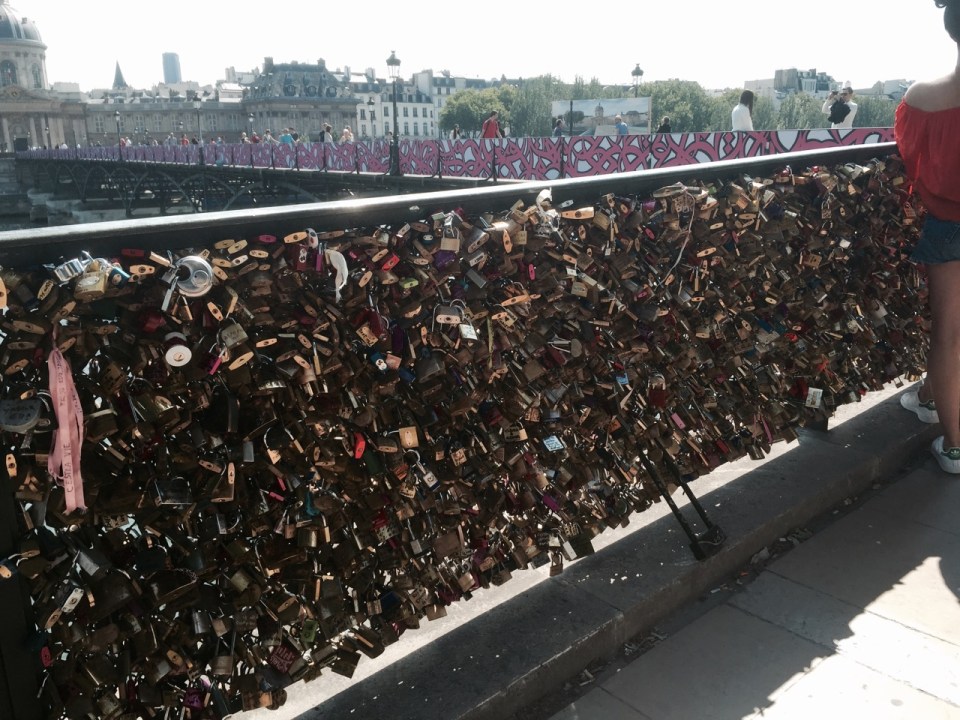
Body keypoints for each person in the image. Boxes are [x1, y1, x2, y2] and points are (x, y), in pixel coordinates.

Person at [895, 0, 960, 472]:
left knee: (949, 333)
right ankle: (925, 395)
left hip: (948, 227)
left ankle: (955, 446)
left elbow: (910, 164)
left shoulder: (922, 97)